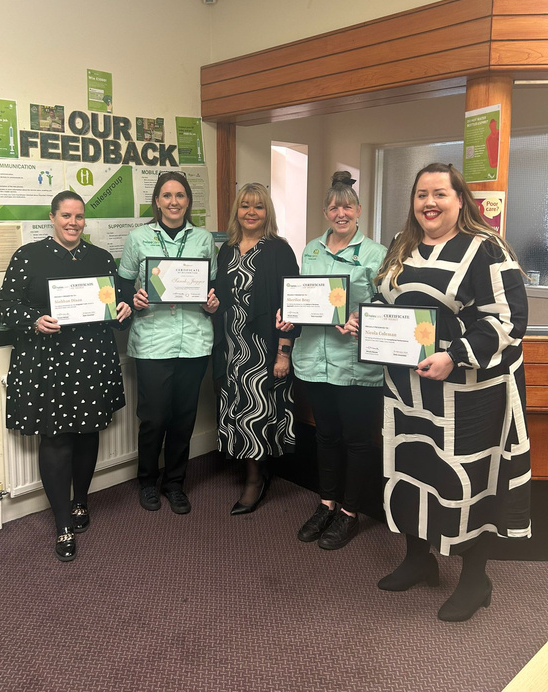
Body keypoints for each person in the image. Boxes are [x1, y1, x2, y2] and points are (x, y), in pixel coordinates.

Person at [345, 162, 531, 621]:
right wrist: (364, 322)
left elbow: (510, 320)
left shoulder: (486, 248)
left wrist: (457, 352)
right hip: (407, 387)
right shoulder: (401, 245)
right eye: (421, 194)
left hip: (467, 394)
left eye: (440, 194)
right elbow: (389, 302)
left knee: (466, 479)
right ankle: (418, 558)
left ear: (459, 199)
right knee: (411, 466)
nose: (429, 202)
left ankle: (475, 578)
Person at [0, 191, 132, 562]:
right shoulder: (28, 256)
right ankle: (62, 524)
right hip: (47, 361)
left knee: (88, 434)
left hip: (92, 358)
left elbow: (120, 304)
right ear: (53, 217)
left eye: (79, 216)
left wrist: (122, 309)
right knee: (55, 439)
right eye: (66, 216)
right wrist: (34, 320)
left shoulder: (101, 257)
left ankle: (80, 503)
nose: (73, 223)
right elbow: (6, 307)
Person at [283, 171, 387, 549]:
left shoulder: (375, 254)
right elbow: (302, 296)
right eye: (333, 207)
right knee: (326, 436)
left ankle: (349, 512)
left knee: (357, 441)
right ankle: (326, 502)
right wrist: (289, 314)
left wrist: (365, 317)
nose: (340, 213)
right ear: (326, 211)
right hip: (313, 359)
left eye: (347, 206)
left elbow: (389, 302)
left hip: (356, 364)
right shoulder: (311, 249)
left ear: (358, 210)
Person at [119, 171, 218, 515]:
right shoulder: (138, 238)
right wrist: (136, 300)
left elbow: (213, 286)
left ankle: (174, 483)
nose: (173, 201)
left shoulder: (203, 239)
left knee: (183, 418)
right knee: (154, 416)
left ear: (188, 201)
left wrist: (212, 302)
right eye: (166, 195)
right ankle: (147, 480)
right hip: (153, 339)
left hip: (194, 339)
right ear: (157, 201)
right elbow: (123, 286)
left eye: (180, 195)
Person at [213, 182, 300, 514]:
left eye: (258, 206)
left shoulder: (278, 250)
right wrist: (210, 303)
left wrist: (283, 352)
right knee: (239, 407)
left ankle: (255, 481)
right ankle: (253, 468)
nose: (251, 212)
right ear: (237, 210)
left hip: (263, 348)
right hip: (232, 347)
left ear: (267, 212)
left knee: (257, 412)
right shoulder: (227, 249)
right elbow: (220, 295)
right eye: (245, 205)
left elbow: (291, 305)